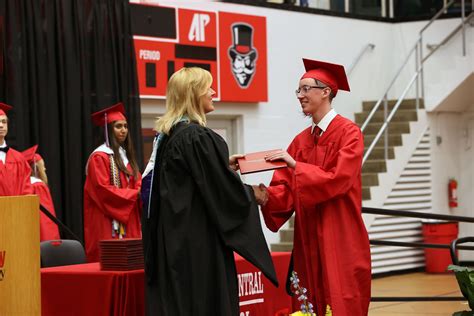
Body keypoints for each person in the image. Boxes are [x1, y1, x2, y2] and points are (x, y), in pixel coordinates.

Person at [142, 67, 277, 316]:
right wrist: (252, 194)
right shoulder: (197, 136)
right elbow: (222, 192)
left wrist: (222, 167)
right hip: (198, 244)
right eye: (208, 88)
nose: (213, 92)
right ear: (194, 93)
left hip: (175, 241)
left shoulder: (170, 136)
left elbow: (186, 183)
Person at [255, 59, 371, 315]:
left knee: (340, 298)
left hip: (340, 234)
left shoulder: (349, 133)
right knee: (308, 302)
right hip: (308, 239)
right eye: (299, 90)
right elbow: (286, 190)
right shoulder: (300, 141)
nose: (300, 96)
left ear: (326, 91)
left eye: (306, 89)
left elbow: (339, 179)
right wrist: (264, 196)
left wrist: (297, 166)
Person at [83, 102, 142, 262]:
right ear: (108, 130)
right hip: (107, 220)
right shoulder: (99, 157)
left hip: (128, 217)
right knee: (112, 261)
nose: (123, 130)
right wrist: (134, 195)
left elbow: (138, 181)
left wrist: (139, 192)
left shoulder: (125, 156)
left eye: (125, 126)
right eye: (118, 126)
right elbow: (102, 190)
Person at [21, 145, 61, 241]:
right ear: (36, 168)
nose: (45, 169)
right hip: (42, 236)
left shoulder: (23, 185)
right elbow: (46, 219)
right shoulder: (38, 185)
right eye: (43, 166)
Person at [0, 102, 33, 196]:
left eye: (4, 122)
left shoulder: (19, 159)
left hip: (16, 209)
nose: (1, 125)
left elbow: (27, 189)